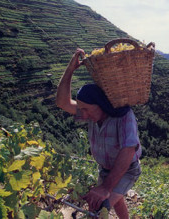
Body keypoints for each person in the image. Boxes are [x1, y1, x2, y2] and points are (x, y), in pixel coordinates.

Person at [56, 48, 142, 218]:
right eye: (81, 109)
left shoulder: (124, 116)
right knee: (116, 198)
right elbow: (62, 102)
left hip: (127, 170)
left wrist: (105, 187)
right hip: (106, 169)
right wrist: (70, 69)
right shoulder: (90, 114)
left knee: (100, 205)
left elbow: (128, 150)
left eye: (87, 109)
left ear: (101, 104)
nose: (83, 114)